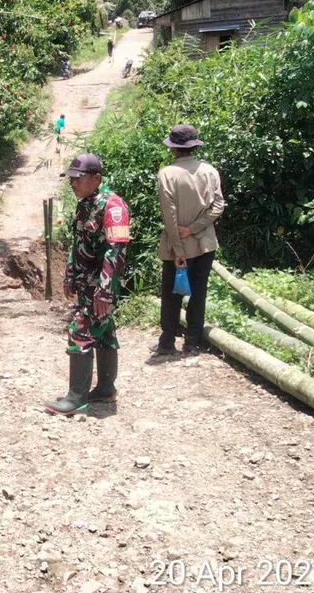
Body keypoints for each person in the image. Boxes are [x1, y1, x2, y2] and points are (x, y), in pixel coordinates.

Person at [44, 153, 131, 415]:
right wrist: (70, 274)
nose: (73, 184)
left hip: (102, 286)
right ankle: (105, 389)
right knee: (104, 333)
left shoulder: (113, 207)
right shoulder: (86, 203)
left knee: (80, 330)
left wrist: (104, 291)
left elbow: (115, 251)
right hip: (86, 284)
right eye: (70, 179)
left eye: (78, 179)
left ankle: (76, 398)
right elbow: (78, 243)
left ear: (96, 178)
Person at [151, 124, 225, 356]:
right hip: (205, 244)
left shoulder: (167, 174)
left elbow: (169, 215)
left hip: (178, 246)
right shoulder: (210, 171)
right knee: (198, 292)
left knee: (172, 295)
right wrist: (194, 228)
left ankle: (167, 343)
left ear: (173, 149)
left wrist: (179, 248)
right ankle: (192, 342)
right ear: (193, 146)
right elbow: (219, 206)